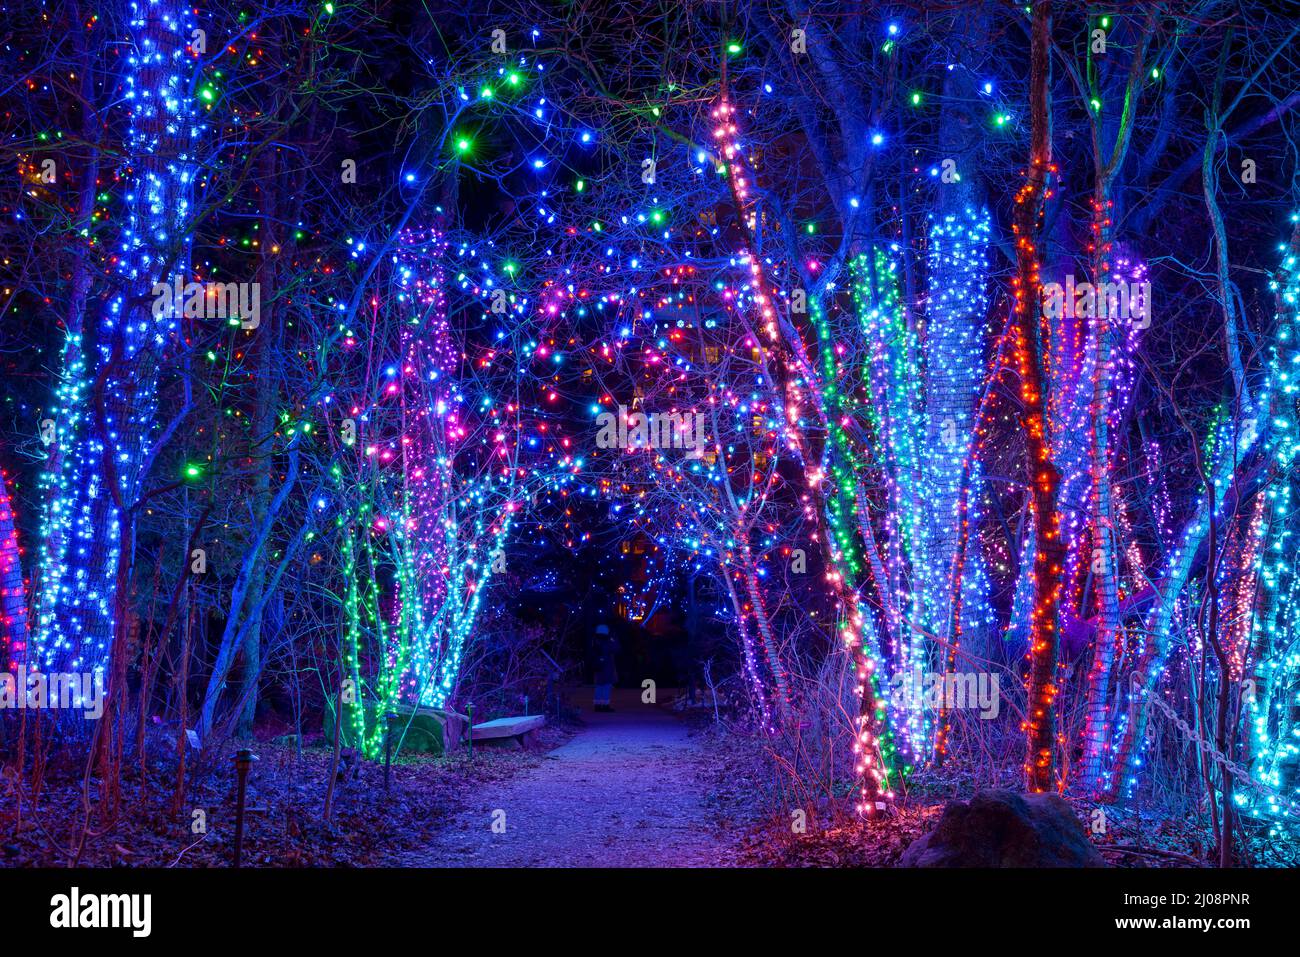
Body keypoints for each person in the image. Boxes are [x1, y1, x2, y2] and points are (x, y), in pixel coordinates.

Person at [592, 624, 618, 712]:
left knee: (598, 686)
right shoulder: (608, 641)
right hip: (607, 666)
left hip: (597, 666)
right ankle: (605, 705)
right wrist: (613, 639)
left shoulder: (594, 641)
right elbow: (616, 649)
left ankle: (597, 704)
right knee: (607, 686)